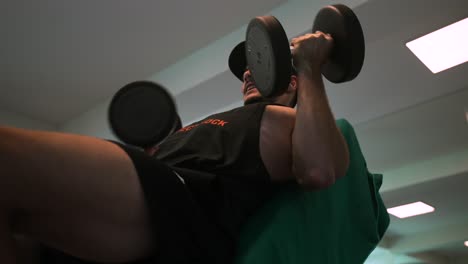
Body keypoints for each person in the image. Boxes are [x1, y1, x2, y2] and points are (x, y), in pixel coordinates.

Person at [0, 31, 349, 264]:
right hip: (146, 189)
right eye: (245, 69)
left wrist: (311, 68)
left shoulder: (289, 120)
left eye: (258, 67)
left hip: (179, 210)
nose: (246, 73)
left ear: (292, 81)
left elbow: (319, 170)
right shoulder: (220, 120)